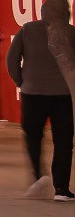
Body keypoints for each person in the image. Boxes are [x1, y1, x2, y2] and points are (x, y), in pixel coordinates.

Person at [7, 10, 75, 200]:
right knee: (63, 141)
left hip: (32, 93)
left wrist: (21, 81)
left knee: (33, 137)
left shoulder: (28, 29)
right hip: (63, 95)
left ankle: (39, 177)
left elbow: (12, 59)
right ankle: (61, 188)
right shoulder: (71, 32)